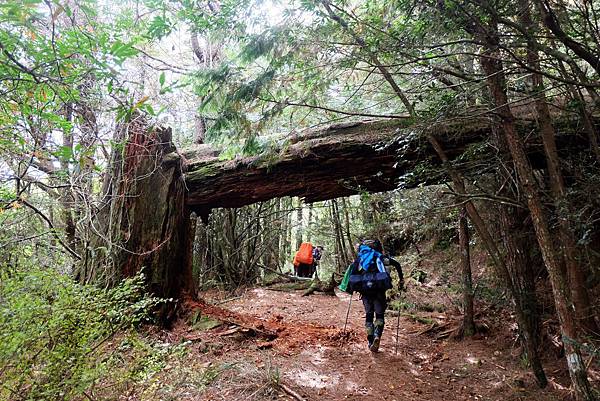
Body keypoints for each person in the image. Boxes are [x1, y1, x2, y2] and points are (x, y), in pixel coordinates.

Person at [348, 239, 403, 352]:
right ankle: (377, 335)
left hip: (365, 291)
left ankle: (370, 340)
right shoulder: (380, 258)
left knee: (369, 314)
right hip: (379, 290)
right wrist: (401, 279)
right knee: (379, 314)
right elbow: (397, 264)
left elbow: (352, 274)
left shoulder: (360, 259)